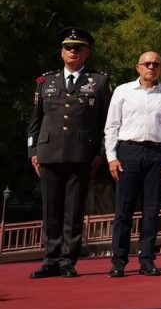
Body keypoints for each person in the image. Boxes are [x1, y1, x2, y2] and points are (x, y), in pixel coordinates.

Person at [26, 27, 111, 279]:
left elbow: (107, 122)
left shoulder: (99, 82)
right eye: (68, 47)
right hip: (48, 153)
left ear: (87, 52)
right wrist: (33, 150)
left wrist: (101, 153)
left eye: (78, 48)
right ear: (61, 52)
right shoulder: (45, 81)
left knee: (73, 211)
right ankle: (50, 259)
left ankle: (67, 260)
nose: (72, 51)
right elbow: (35, 121)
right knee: (50, 209)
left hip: (81, 154)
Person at [105, 51, 161, 277]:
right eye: (147, 63)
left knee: (151, 211)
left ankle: (147, 259)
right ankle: (118, 261)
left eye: (156, 64)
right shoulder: (123, 91)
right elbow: (111, 126)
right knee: (123, 210)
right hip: (128, 151)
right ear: (138, 67)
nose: (151, 67)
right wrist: (111, 157)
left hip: (157, 154)